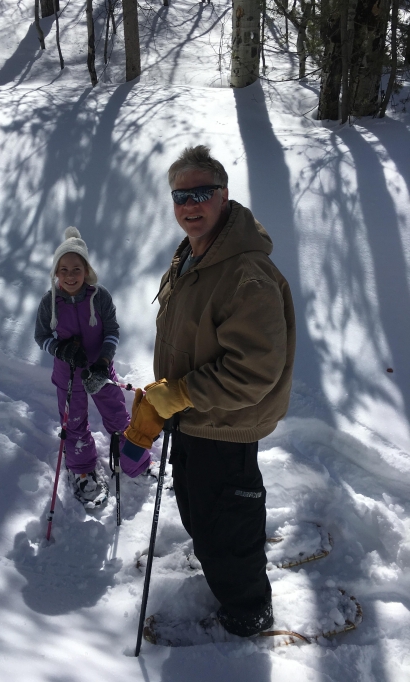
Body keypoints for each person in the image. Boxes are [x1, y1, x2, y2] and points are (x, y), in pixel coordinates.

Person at [125, 146, 296, 637]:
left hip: (223, 423)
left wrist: (177, 394)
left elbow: (254, 371)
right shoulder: (193, 256)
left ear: (224, 196)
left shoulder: (246, 274)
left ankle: (247, 612)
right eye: (181, 195)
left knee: (226, 524)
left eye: (202, 193)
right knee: (204, 509)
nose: (190, 204)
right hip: (198, 416)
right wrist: (169, 396)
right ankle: (220, 559)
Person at [35, 227, 151, 506]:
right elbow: (41, 337)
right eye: (63, 269)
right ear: (56, 272)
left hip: (100, 370)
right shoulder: (49, 302)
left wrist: (104, 361)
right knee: (73, 422)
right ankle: (83, 470)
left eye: (76, 268)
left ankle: (136, 462)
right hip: (67, 375)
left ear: (86, 270)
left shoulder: (99, 297)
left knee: (118, 415)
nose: (70, 275)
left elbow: (112, 330)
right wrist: (61, 349)